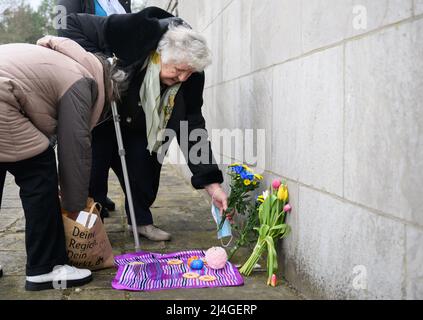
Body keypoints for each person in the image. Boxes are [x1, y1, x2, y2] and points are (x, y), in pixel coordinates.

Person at [58, 6, 229, 242]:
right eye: (178, 70)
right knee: (92, 171)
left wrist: (211, 183)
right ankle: (88, 228)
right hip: (106, 113)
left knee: (144, 170)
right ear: (159, 54)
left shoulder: (192, 74)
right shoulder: (135, 31)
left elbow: (192, 126)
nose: (182, 79)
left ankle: (140, 221)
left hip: (146, 123)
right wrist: (100, 67)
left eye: (188, 73)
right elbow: (70, 24)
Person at [0, 36, 127, 291]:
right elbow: (75, 149)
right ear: (108, 88)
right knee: (38, 169)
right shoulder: (81, 80)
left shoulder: (62, 61)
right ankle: (45, 267)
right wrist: (73, 206)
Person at [57, 0, 133, 218]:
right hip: (90, 73)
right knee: (96, 136)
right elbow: (65, 33)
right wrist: (102, 62)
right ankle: (90, 198)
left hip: (120, 79)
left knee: (111, 138)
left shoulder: (121, 2)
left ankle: (100, 193)